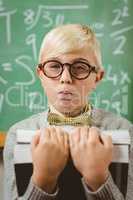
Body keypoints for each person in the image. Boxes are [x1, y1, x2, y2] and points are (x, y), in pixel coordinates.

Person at [3, 24, 133, 200]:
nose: (65, 78)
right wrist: (43, 179)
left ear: (98, 77)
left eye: (80, 67)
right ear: (40, 74)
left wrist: (98, 178)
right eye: (54, 66)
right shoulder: (17, 134)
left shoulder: (124, 130)